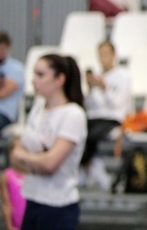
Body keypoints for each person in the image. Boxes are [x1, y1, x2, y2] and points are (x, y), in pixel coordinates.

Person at [10, 54, 86, 230]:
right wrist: (37, 159)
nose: (34, 80)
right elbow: (15, 157)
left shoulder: (72, 114)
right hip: (33, 198)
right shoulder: (38, 108)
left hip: (58, 205)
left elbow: (51, 165)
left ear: (59, 79)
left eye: (40, 75)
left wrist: (27, 157)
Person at [80, 40, 131, 191]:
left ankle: (90, 167)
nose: (103, 58)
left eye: (106, 54)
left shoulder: (123, 76)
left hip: (113, 118)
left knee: (89, 135)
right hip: (94, 117)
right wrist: (90, 89)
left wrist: (105, 88)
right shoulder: (97, 76)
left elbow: (118, 105)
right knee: (76, 130)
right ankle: (91, 166)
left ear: (114, 55)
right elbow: (90, 106)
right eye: (100, 54)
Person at [0, 31, 25, 132]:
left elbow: (4, 93)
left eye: (2, 48)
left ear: (8, 47)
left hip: (5, 113)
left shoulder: (16, 69)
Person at [0, 165, 25, 230]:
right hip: (15, 223)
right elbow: (6, 204)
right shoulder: (6, 176)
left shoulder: (34, 175)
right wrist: (9, 225)